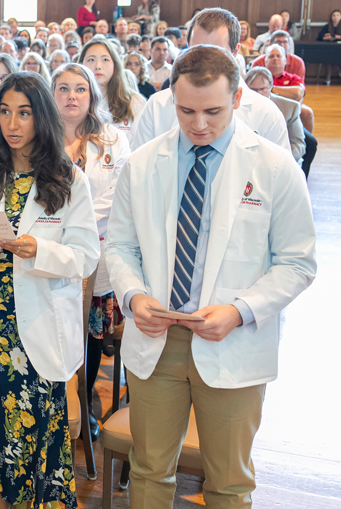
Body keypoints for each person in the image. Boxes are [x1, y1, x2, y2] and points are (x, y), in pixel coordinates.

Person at [106, 45, 316, 509]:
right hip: (157, 337)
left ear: (238, 99)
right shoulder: (142, 164)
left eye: (213, 111)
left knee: (229, 484)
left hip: (232, 340)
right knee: (148, 469)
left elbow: (298, 262)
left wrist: (240, 311)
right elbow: (120, 246)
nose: (199, 124)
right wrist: (134, 295)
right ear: (171, 100)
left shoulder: (274, 167)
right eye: (186, 110)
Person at [0, 71, 100, 506]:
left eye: (25, 113)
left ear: (42, 118)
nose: (13, 125)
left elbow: (86, 256)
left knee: (30, 440)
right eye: (6, 113)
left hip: (37, 329)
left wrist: (38, 249)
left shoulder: (68, 179)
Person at [51, 63, 130, 436]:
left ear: (92, 95)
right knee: (54, 326)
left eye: (79, 89)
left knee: (91, 332)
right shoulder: (40, 138)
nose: (71, 96)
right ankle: (55, 398)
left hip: (97, 248)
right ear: (52, 96)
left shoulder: (113, 139)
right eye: (63, 89)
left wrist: (76, 218)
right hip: (49, 249)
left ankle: (85, 401)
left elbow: (120, 195)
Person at [132, 8, 290, 152]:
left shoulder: (267, 113)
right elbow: (138, 170)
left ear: (235, 51)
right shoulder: (157, 106)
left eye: (215, 53)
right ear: (187, 47)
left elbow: (280, 176)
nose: (204, 61)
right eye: (196, 50)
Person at [245, 67, 309, 171]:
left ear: (271, 86)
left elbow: (299, 144)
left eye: (263, 89)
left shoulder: (289, 107)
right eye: (254, 90)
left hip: (281, 162)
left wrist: (282, 161)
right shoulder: (238, 106)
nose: (258, 94)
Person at [82, 38, 145, 144]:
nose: (98, 66)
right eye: (91, 60)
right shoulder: (73, 101)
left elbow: (141, 146)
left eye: (105, 60)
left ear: (115, 65)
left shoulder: (134, 101)